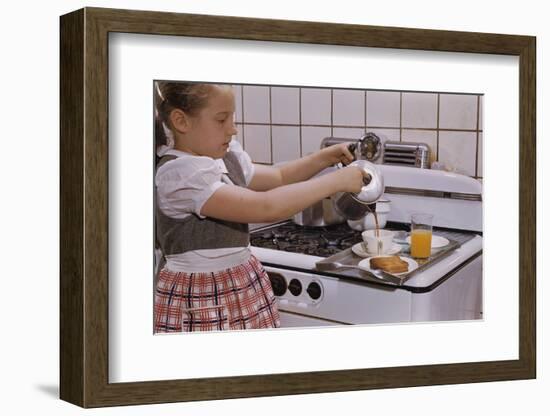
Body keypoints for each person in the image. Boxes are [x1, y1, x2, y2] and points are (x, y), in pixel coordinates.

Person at [154, 81, 365, 333]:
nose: (233, 129)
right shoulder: (179, 174)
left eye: (232, 118)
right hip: (201, 296)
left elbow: (278, 176)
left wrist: (325, 157)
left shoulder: (223, 157)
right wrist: (336, 181)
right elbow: (266, 207)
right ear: (181, 121)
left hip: (240, 283)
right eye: (221, 120)